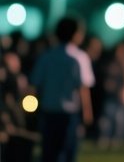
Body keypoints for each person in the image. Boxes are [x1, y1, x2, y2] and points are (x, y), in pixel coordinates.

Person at [29, 18, 94, 162]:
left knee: (48, 154)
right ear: (76, 34)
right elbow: (83, 88)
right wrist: (87, 113)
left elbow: (34, 86)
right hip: (69, 114)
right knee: (67, 153)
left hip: (48, 112)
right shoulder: (80, 57)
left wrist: (30, 111)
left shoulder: (47, 57)